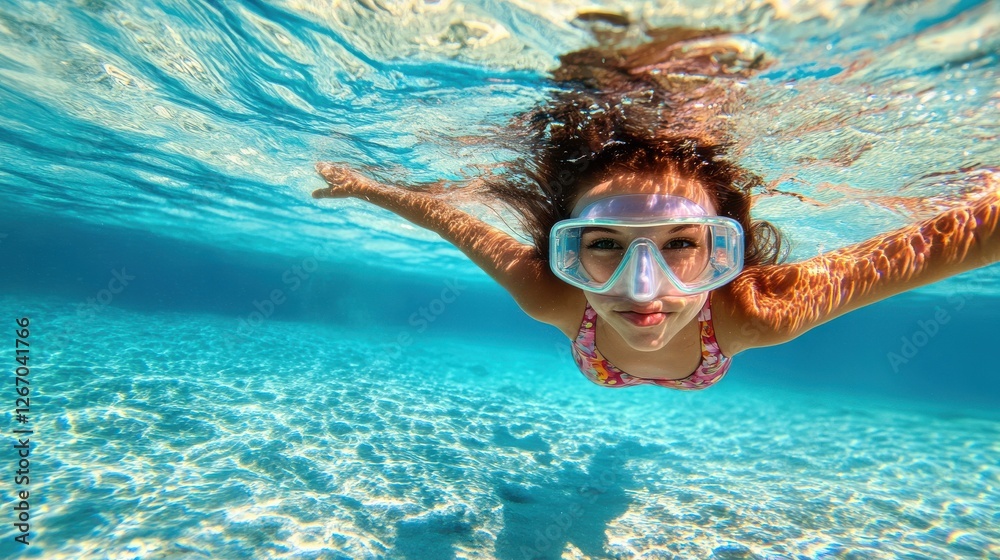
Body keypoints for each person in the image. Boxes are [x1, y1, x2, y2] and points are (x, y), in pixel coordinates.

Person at [312, 26, 999, 390]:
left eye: (680, 244)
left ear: (727, 254)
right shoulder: (555, 295)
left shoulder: (747, 312)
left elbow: (937, 245)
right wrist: (369, 187)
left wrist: (376, 187)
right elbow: (451, 220)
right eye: (605, 245)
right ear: (568, 250)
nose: (644, 291)